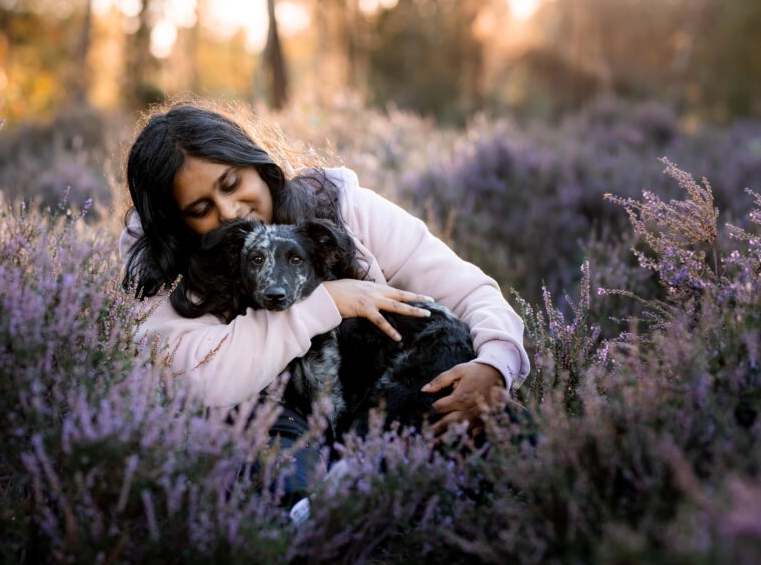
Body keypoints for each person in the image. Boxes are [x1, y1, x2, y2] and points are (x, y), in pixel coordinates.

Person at [119, 101, 529, 501]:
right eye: (201, 208)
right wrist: (325, 302)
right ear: (179, 224)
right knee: (286, 478)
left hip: (384, 396)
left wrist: (494, 365)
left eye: (232, 183)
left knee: (514, 442)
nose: (231, 211)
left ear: (257, 165)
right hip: (277, 427)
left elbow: (470, 290)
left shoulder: (341, 208)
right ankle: (321, 520)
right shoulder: (170, 280)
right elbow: (200, 379)